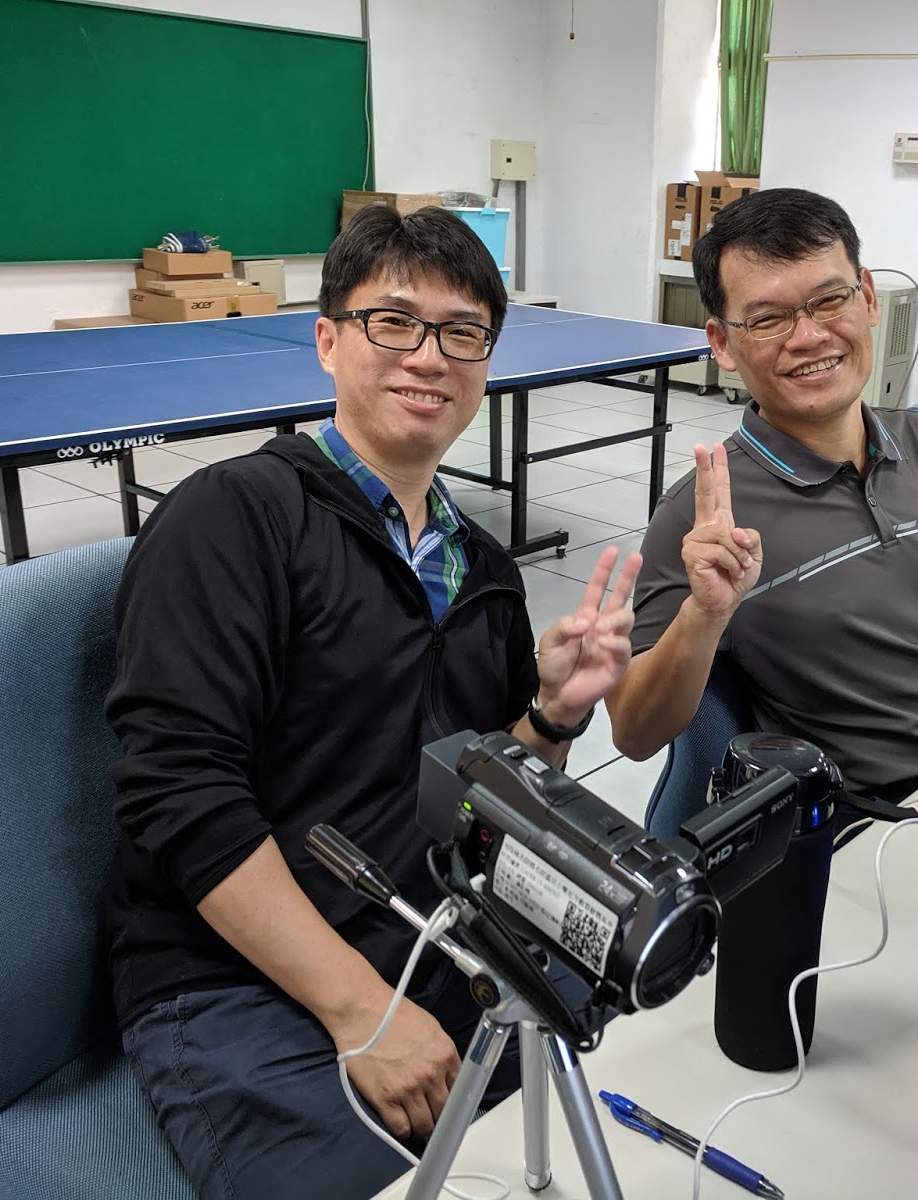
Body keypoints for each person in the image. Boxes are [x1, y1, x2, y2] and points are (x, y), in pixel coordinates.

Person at [104, 204, 640, 1200]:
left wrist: (552, 718)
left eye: (462, 332)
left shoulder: (483, 570)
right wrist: (361, 1010)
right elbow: (180, 795)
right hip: (238, 978)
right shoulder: (234, 518)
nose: (429, 356)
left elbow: (483, 800)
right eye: (393, 322)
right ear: (328, 341)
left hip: (434, 932)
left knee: (613, 1118)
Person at [605, 188, 918, 811]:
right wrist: (703, 616)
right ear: (723, 344)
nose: (809, 336)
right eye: (768, 318)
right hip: (872, 824)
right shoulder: (701, 516)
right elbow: (634, 732)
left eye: (829, 300)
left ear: (867, 299)